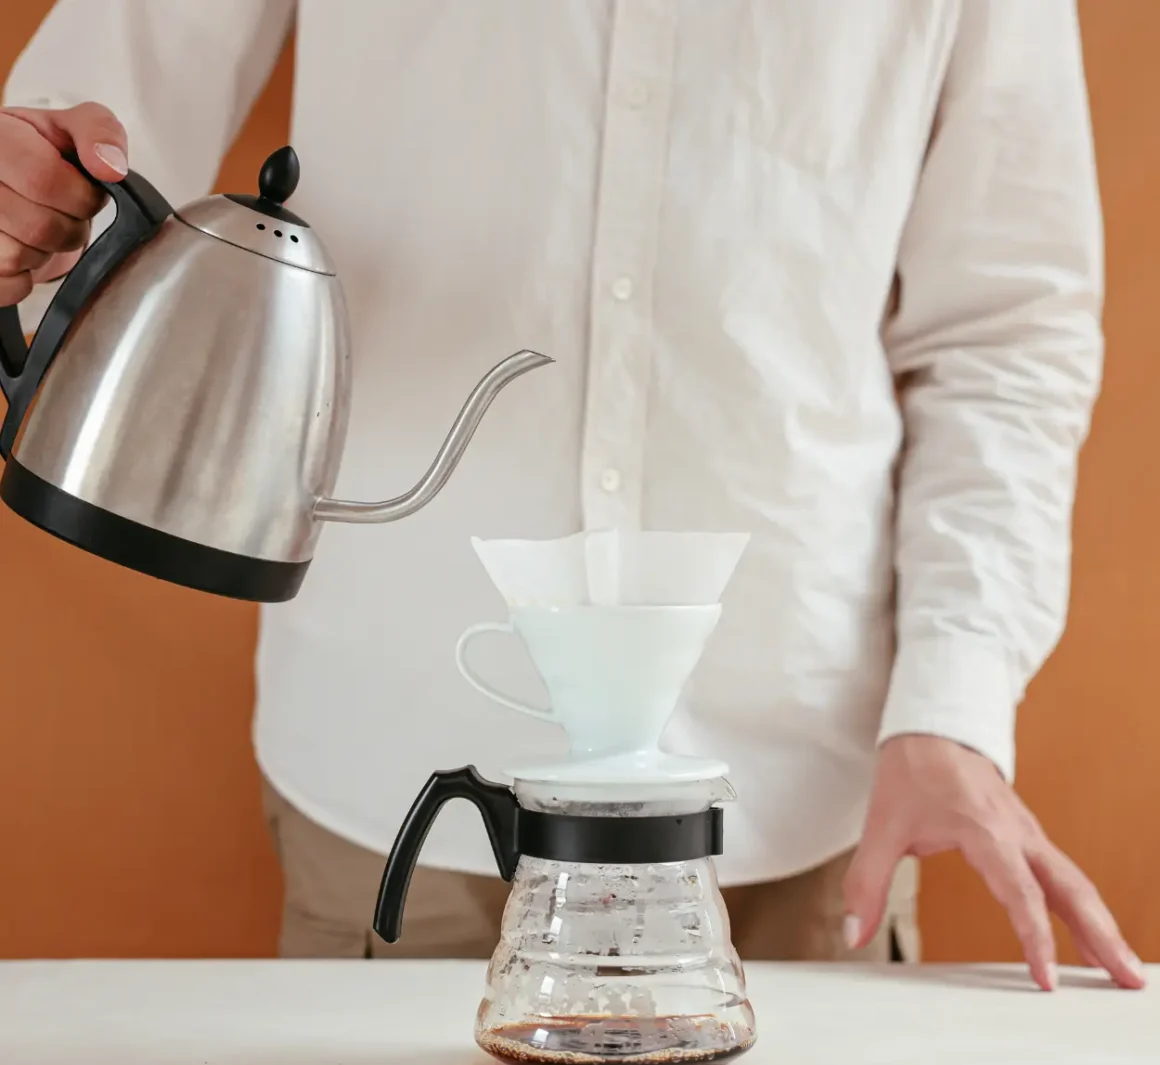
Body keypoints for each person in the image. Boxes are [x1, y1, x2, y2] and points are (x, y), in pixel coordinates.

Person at [0, 1, 1144, 989]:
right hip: (397, 762)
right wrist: (34, 190)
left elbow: (1005, 331)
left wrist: (954, 701)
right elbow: (90, 137)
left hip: (800, 797)